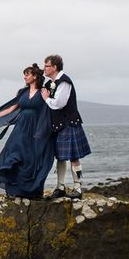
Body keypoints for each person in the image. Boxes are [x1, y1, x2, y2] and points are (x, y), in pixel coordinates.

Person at [0, 64, 55, 199]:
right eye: (25, 74)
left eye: (27, 74)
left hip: (36, 129)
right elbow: (10, 109)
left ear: (35, 76)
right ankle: (14, 189)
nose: (25, 77)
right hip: (21, 128)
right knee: (14, 154)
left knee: (32, 159)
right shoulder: (22, 93)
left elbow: (51, 109)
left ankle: (31, 191)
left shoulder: (44, 92)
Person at [40, 54, 91, 199]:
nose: (45, 68)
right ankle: (60, 187)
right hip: (58, 125)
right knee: (60, 157)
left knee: (74, 157)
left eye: (47, 66)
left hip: (69, 123)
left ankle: (78, 188)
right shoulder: (50, 83)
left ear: (54, 67)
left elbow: (58, 103)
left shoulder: (64, 82)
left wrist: (46, 98)